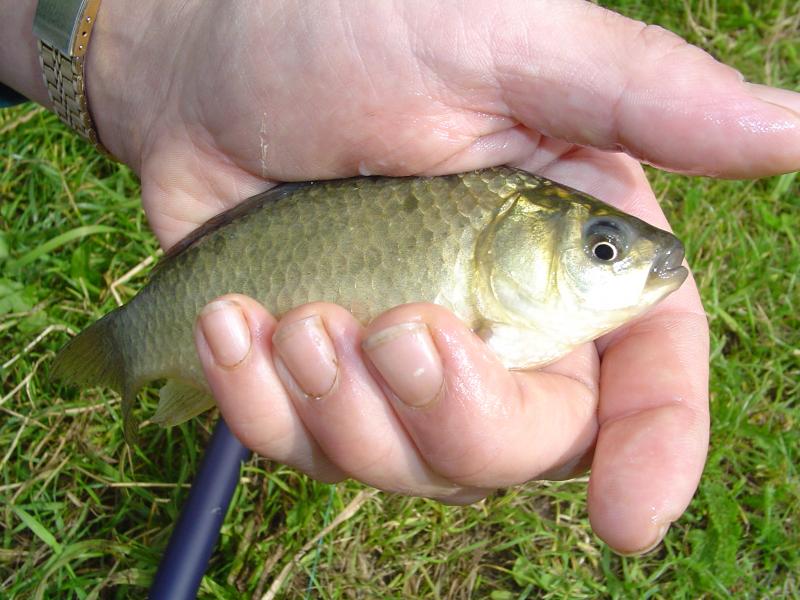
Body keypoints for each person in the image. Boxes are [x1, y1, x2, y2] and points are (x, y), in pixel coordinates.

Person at [2, 0, 798, 557]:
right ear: (506, 239)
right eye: (601, 249)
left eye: (602, 250)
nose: (628, 261)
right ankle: (129, 349)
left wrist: (149, 40)